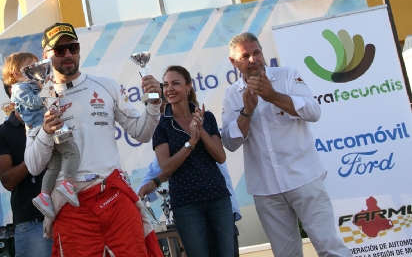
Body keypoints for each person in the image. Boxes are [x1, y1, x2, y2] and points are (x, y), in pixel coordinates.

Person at [24, 22, 163, 256]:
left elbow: (142, 133)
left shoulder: (105, 86)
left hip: (113, 196)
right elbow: (33, 166)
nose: (68, 54)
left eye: (73, 47)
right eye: (60, 50)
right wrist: (47, 133)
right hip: (72, 206)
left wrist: (154, 102)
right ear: (45, 56)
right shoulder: (39, 100)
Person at [221, 32, 351, 257]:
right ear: (233, 62)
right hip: (266, 188)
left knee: (329, 246)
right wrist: (247, 112)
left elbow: (313, 111)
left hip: (304, 178)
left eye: (257, 53)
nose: (254, 60)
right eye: (245, 56)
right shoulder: (232, 94)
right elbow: (230, 143)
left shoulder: (287, 76)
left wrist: (272, 96)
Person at [152, 65, 236, 257]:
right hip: (186, 203)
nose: (169, 89)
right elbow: (167, 167)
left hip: (217, 197)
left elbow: (220, 157)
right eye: (166, 85)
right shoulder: (162, 126)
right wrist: (191, 142)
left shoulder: (206, 117)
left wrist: (200, 130)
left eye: (175, 83)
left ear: (188, 86)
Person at [1, 52, 80, 220]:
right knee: (72, 152)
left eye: (38, 67)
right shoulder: (19, 88)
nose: (36, 71)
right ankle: (68, 184)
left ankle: (44, 195)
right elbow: (36, 102)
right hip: (44, 128)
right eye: (30, 68)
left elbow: (47, 100)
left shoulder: (32, 85)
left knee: (55, 163)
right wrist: (45, 87)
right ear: (15, 73)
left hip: (49, 125)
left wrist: (49, 89)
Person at [0, 83, 53, 256]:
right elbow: (8, 181)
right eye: (29, 78)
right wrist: (38, 151)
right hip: (33, 223)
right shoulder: (1, 134)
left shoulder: (55, 118)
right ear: (13, 89)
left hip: (73, 215)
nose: (37, 83)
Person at [137, 157, 242, 257]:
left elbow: (164, 170)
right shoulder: (167, 141)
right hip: (199, 213)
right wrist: (136, 198)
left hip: (217, 208)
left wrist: (154, 183)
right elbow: (158, 169)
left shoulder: (207, 139)